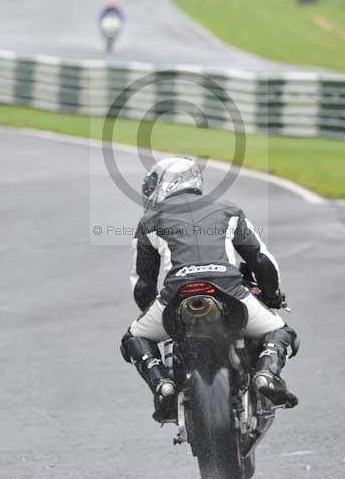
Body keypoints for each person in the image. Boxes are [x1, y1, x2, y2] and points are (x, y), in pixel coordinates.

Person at [120, 157, 299, 421]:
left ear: (164, 185)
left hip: (177, 295)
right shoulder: (229, 209)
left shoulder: (149, 220)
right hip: (229, 291)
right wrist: (272, 296)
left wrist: (153, 311)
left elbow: (143, 283)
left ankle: (162, 385)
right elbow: (261, 259)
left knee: (133, 340)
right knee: (282, 332)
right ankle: (266, 374)